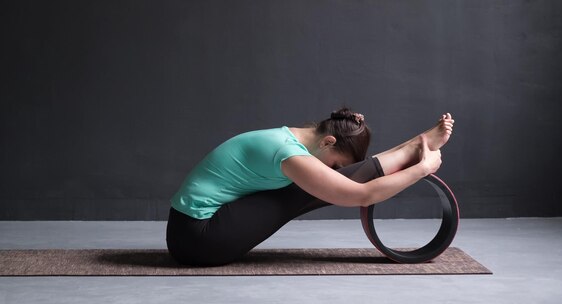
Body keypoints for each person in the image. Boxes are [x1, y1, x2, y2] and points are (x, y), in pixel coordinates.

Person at [166, 107, 454, 266]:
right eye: (337, 164)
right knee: (301, 191)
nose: (335, 170)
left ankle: (412, 146)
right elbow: (362, 195)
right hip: (197, 240)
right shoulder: (287, 154)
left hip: (187, 231)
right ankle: (412, 149)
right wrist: (423, 168)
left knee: (307, 187)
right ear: (329, 142)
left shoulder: (287, 139)